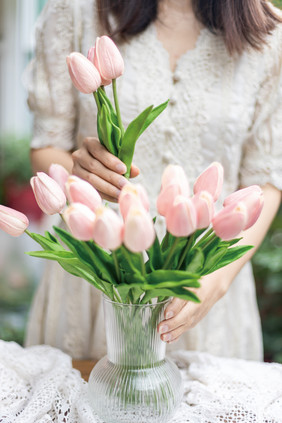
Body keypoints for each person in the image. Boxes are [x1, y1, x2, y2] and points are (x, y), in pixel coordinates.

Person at [25, 0, 282, 361]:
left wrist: (216, 279)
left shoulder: (271, 35)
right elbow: (46, 145)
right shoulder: (76, 10)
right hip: (96, 276)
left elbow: (266, 178)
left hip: (205, 283)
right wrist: (78, 172)